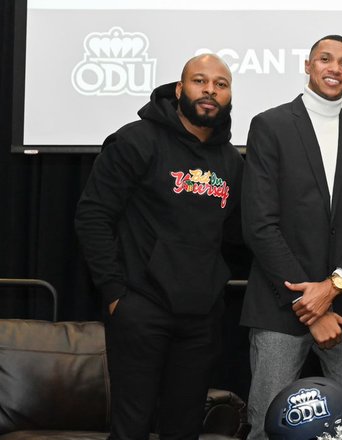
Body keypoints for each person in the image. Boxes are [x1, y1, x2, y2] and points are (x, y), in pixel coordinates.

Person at [74, 54, 242, 439]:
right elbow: (93, 216)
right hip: (140, 308)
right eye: (200, 81)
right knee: (131, 426)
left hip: (200, 319)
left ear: (229, 96)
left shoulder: (232, 161)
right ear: (180, 90)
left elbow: (233, 236)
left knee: (183, 429)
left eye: (220, 84)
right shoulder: (137, 140)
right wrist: (116, 292)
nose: (210, 91)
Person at [240, 35, 342, 440]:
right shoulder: (269, 125)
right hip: (279, 309)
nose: (334, 68)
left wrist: (333, 286)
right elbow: (259, 224)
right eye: (325, 59)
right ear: (308, 65)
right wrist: (311, 306)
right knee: (267, 429)